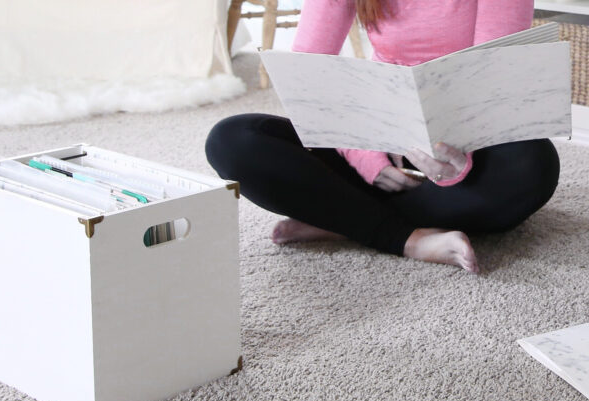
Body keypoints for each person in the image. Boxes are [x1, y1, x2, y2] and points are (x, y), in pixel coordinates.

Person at [205, 0, 560, 273]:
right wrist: (363, 155)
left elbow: (490, 84)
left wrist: (456, 164)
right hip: (373, 139)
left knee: (533, 163)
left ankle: (345, 221)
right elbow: (308, 82)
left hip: (463, 149)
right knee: (233, 140)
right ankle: (408, 239)